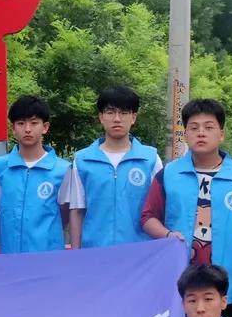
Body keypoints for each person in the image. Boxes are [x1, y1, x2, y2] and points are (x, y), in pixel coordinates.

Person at [141, 99, 232, 317]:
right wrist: (168, 235)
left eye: (209, 127)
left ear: (221, 134)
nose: (201, 133)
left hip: (227, 287)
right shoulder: (169, 175)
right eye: (194, 127)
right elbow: (148, 217)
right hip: (180, 285)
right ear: (185, 134)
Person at [68, 85, 162, 249]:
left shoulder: (151, 159)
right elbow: (77, 210)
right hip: (95, 251)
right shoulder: (82, 160)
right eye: (110, 112)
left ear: (133, 117)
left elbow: (159, 209)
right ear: (101, 117)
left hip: (140, 251)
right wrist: (76, 255)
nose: (117, 119)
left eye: (124, 113)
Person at [0, 95, 71, 253]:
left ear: (45, 127)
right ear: (13, 129)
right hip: (10, 255)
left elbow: (65, 212)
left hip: (48, 255)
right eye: (21, 123)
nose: (27, 129)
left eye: (34, 123)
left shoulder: (63, 169)